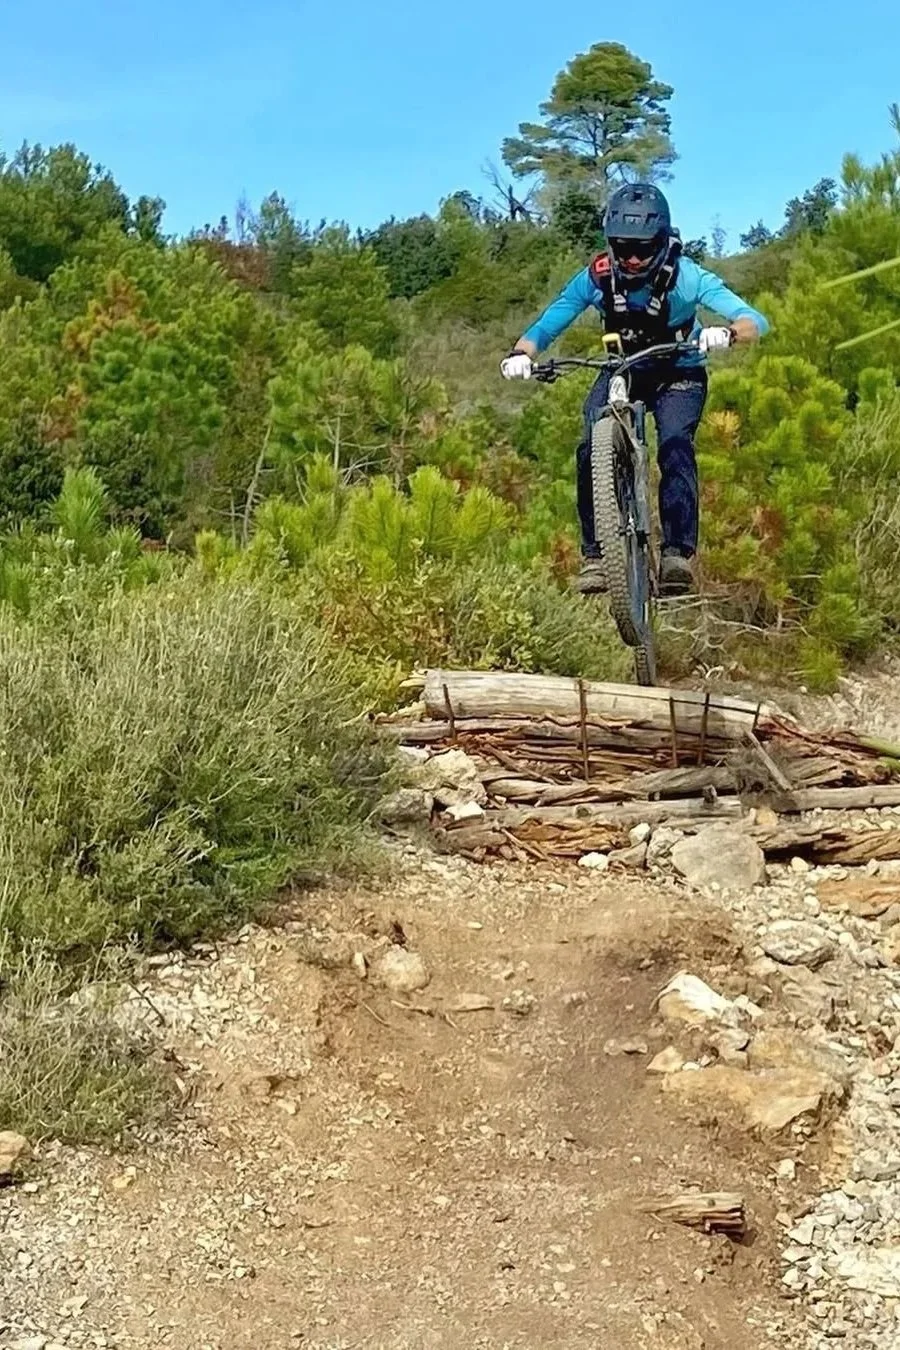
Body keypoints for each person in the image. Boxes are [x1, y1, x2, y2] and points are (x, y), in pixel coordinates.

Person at [500, 183, 769, 596]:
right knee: (591, 445)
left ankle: (677, 553)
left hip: (680, 368)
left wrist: (728, 334)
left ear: (663, 242)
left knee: (676, 443)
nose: (633, 258)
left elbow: (755, 321)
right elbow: (551, 320)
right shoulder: (597, 277)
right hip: (624, 367)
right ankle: (595, 555)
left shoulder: (687, 276)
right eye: (623, 248)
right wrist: (521, 353)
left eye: (644, 249)